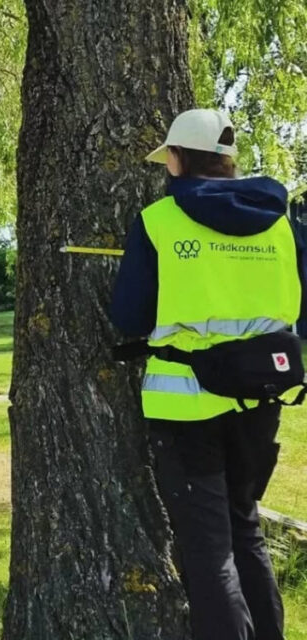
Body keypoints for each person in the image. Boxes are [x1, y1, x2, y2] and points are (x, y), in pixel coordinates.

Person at [110, 108, 305, 640]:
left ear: (176, 160)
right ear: (227, 161)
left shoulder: (159, 222)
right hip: (260, 400)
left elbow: (129, 317)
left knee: (208, 551)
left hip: (186, 406)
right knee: (247, 531)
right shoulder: (284, 225)